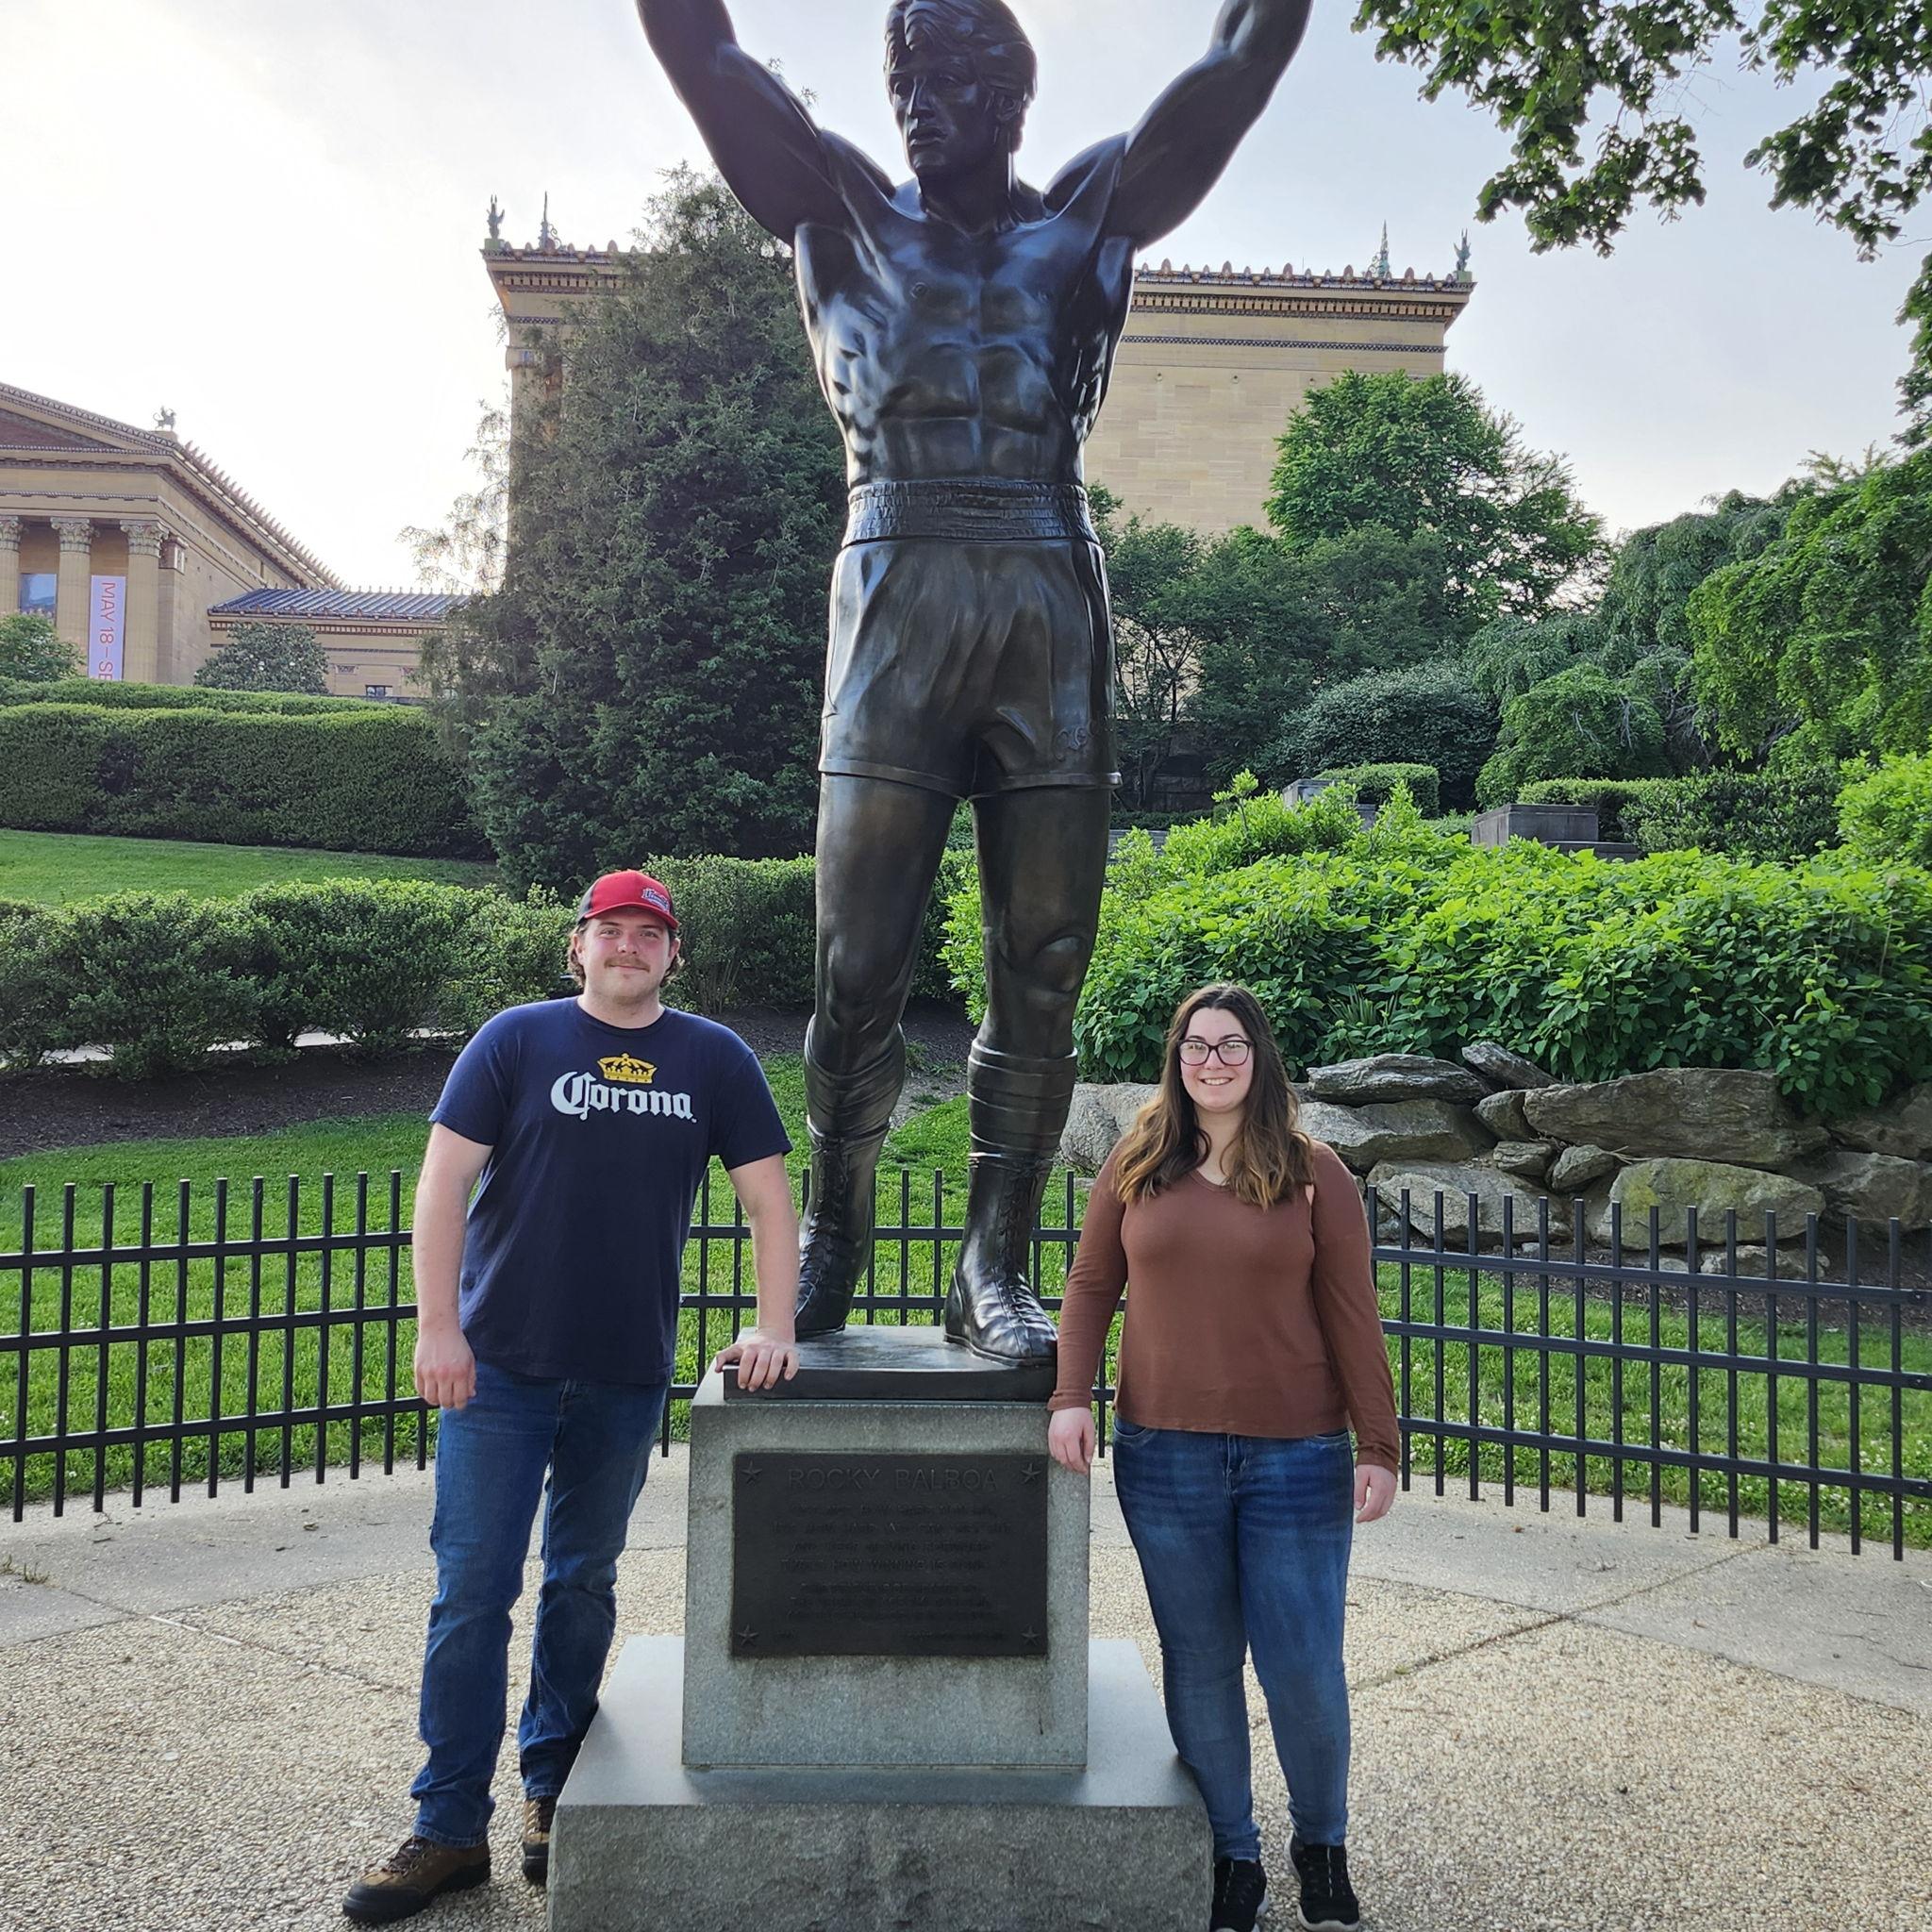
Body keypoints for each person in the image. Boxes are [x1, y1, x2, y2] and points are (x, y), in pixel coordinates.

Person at [636, 0, 1316, 1371]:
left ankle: (991, 1262)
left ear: (1012, 95)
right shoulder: (837, 210)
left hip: (1044, 583)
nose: (919, 103)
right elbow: (700, 48)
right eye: (905, 79)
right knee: (857, 959)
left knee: (1046, 961)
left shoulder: (1090, 215)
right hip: (892, 579)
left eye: (948, 78)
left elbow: (1242, 61)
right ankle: (836, 1235)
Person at [341, 870, 799, 1924]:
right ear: (575, 946)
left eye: (650, 933)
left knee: (580, 1583)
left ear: (673, 954)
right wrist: (438, 1326)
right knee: (471, 1592)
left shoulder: (712, 1057)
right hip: (497, 1366)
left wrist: (774, 1325)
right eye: (611, 930)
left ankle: (552, 1788)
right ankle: (449, 1824)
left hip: (624, 1370)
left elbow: (771, 1199)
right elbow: (441, 1182)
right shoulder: (514, 1039)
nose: (629, 946)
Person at [1047, 983, 1401, 1932]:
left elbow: (1351, 1312)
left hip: (1296, 1457)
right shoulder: (1137, 1160)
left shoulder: (1311, 1171)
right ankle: (1232, 1851)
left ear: (1258, 1057)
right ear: (1176, 1056)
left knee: (1301, 1665)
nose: (1211, 1060)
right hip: (1163, 1455)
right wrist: (1068, 1395)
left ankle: (1319, 1840)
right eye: (1196, 1044)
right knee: (1200, 1661)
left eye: (1230, 1045)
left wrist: (1377, 1441)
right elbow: (1088, 1287)